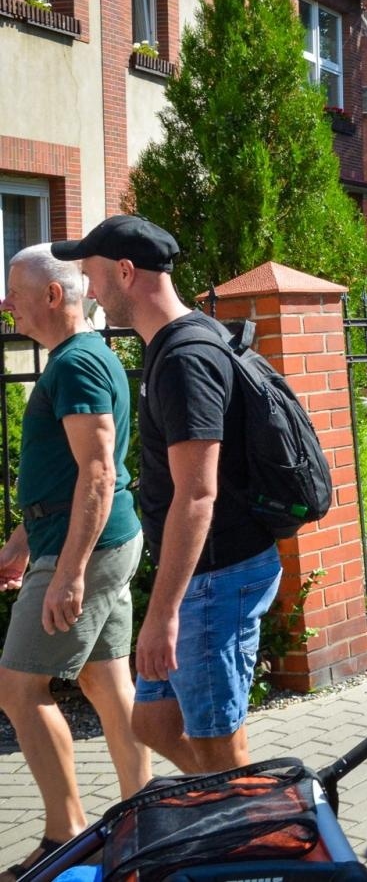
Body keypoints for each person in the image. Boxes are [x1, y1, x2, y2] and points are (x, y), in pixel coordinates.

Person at [58, 216, 279, 774]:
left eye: (92, 275)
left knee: (218, 743)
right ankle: (227, 807)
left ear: (126, 273)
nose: (90, 292)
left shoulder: (185, 359)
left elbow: (198, 494)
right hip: (205, 577)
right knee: (151, 723)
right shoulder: (179, 344)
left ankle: (250, 833)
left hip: (215, 576)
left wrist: (164, 613)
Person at [0, 246, 149, 882]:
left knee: (18, 689)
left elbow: (98, 471)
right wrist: (23, 538)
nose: (6, 304)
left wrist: (67, 571)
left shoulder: (78, 363)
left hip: (84, 551)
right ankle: (142, 832)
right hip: (77, 540)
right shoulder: (80, 358)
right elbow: (70, 474)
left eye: (14, 291)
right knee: (107, 686)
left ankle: (66, 837)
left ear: (54, 296)